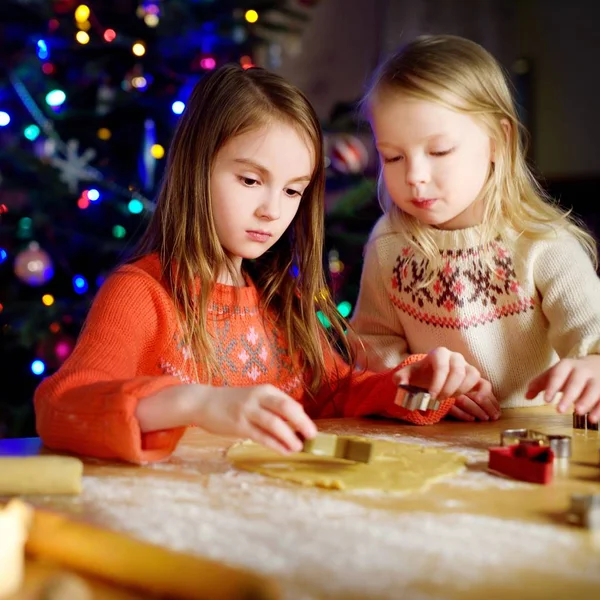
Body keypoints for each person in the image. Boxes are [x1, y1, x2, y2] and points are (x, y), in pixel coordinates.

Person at [34, 64, 482, 464]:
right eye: (250, 180)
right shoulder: (142, 293)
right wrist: (197, 404)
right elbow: (61, 405)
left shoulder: (279, 298)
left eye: (292, 191)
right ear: (196, 168)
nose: (273, 209)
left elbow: (338, 395)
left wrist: (415, 382)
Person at [349, 34, 600, 424]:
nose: (414, 176)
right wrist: (428, 385)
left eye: (439, 151)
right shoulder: (389, 244)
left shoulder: (542, 243)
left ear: (499, 141)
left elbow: (591, 331)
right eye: (393, 157)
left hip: (536, 437)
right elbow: (372, 348)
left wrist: (593, 367)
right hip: (435, 443)